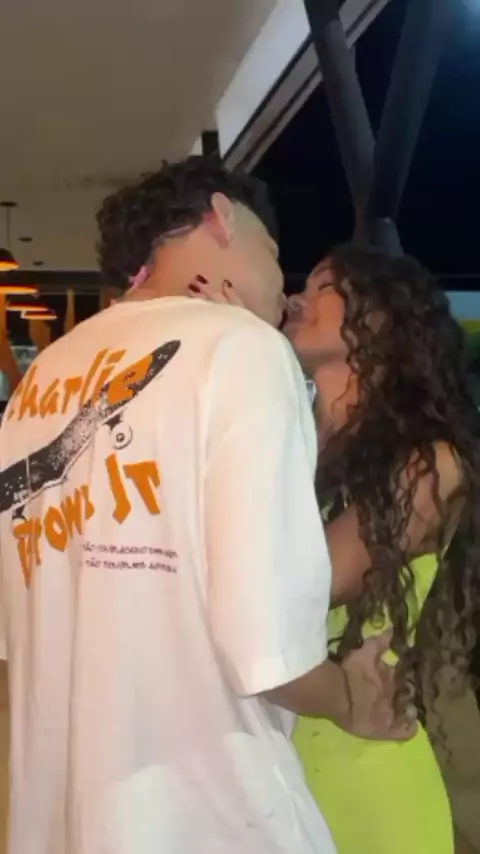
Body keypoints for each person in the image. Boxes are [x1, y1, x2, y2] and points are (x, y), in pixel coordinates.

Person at [0, 160, 411, 854]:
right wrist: (352, 699)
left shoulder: (44, 375)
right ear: (223, 216)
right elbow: (265, 645)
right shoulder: (241, 348)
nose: (280, 287)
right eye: (274, 253)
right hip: (207, 814)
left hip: (59, 817)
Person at [192, 244, 480, 854]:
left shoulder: (432, 462)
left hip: (364, 766)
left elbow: (314, 581)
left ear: (382, 317)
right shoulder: (283, 437)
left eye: (325, 287)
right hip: (269, 766)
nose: (297, 298)